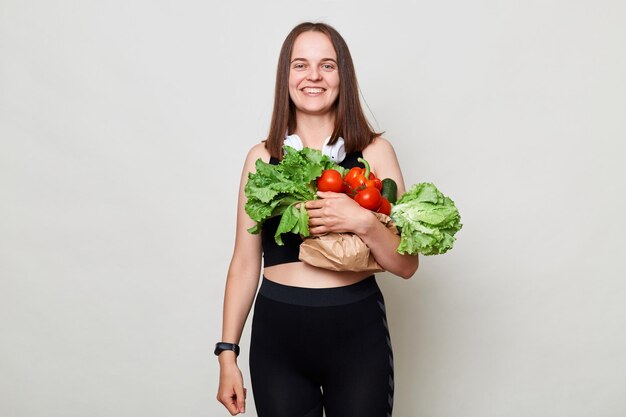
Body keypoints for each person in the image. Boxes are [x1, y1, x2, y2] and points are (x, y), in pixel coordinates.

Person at [216, 21, 420, 417]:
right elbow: (243, 264)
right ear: (285, 77)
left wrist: (362, 220)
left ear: (343, 76)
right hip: (279, 337)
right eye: (300, 65)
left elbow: (407, 264)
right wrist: (227, 354)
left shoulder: (375, 153)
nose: (313, 76)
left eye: (327, 65)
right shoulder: (261, 158)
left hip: (357, 332)